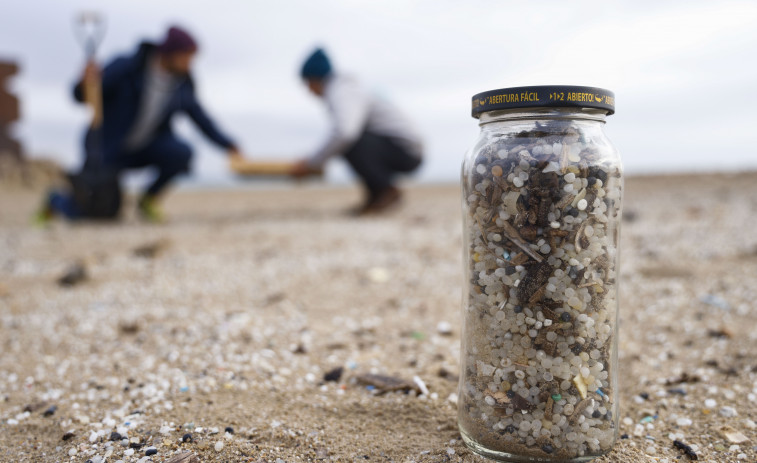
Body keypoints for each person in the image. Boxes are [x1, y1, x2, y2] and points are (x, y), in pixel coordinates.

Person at [67, 26, 243, 221]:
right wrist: (84, 82)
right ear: (170, 53)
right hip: (106, 148)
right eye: (186, 57)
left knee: (182, 153)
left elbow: (200, 118)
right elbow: (81, 97)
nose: (189, 64)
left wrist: (227, 144)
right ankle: (55, 202)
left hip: (146, 147)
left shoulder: (182, 83)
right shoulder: (127, 66)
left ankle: (148, 199)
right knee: (98, 213)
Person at [291, 48, 423, 215]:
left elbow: (344, 132)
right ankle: (376, 196)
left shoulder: (342, 90)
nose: (308, 90)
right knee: (350, 141)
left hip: (405, 150)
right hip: (399, 146)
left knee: (349, 141)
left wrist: (311, 162)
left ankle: (386, 192)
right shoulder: (344, 89)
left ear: (316, 78)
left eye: (308, 83)